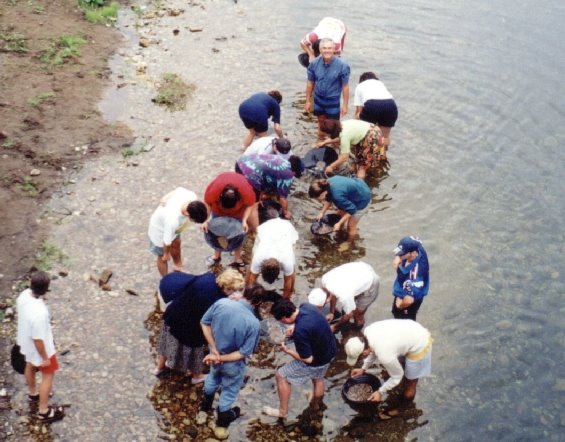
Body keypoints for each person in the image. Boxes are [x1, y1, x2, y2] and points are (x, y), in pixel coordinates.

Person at [155, 269, 245, 383]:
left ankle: (159, 367)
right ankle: (196, 376)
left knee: (167, 341)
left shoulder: (208, 277)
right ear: (227, 288)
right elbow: (214, 322)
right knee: (194, 352)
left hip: (173, 314)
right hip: (190, 326)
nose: (234, 293)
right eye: (234, 290)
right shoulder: (219, 301)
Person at [200, 284, 264, 427]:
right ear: (258, 303)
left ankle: (205, 407)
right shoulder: (254, 323)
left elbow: (204, 323)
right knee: (229, 390)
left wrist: (213, 348)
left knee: (212, 378)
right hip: (233, 364)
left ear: (243, 293)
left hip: (214, 356)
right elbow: (244, 353)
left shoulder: (221, 303)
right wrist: (220, 357)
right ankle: (222, 420)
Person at [263, 298, 337, 418]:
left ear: (284, 318)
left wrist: (288, 351)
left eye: (282, 321)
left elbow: (308, 359)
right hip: (330, 349)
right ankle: (315, 405)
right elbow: (313, 322)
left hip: (316, 359)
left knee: (281, 375)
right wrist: (295, 326)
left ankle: (282, 412)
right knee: (318, 378)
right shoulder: (306, 306)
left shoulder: (300, 331)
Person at [345, 319, 433, 414]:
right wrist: (363, 368)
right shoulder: (368, 332)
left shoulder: (384, 354)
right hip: (410, 330)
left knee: (410, 384)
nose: (361, 358)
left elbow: (397, 376)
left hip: (420, 343)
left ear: (364, 352)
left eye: (360, 357)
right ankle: (397, 367)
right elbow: (372, 350)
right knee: (397, 364)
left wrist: (380, 392)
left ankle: (402, 408)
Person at [16, 271, 65, 423]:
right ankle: (44, 411)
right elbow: (38, 339)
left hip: (25, 343)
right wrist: (45, 358)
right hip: (41, 349)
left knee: (29, 365)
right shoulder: (40, 313)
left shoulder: (24, 296)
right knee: (48, 375)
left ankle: (33, 393)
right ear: (46, 289)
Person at [148, 187, 208, 276]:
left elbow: (178, 189)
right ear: (188, 214)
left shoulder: (191, 196)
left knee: (176, 243)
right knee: (162, 257)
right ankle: (166, 280)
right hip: (159, 232)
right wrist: (166, 254)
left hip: (175, 229)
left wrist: (166, 197)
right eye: (194, 220)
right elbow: (166, 242)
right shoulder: (172, 220)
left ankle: (178, 266)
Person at [203, 172, 257, 267]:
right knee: (217, 233)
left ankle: (237, 257)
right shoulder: (214, 190)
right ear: (219, 197)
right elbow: (207, 203)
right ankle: (216, 256)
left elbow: (250, 204)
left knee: (238, 235)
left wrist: (244, 220)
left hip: (238, 213)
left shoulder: (245, 191)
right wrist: (205, 220)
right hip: (218, 211)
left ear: (238, 198)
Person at [236, 153, 304, 222]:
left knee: (242, 191)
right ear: (295, 172)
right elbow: (282, 199)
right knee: (254, 204)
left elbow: (264, 172)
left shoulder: (282, 159)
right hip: (249, 173)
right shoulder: (288, 174)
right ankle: (246, 221)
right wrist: (286, 212)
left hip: (240, 163)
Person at [305, 38, 350, 136]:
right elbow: (310, 82)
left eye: (330, 48)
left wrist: (345, 105)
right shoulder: (313, 64)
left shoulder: (343, 65)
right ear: (320, 50)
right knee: (321, 125)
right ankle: (321, 144)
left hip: (333, 101)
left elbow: (345, 86)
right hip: (318, 100)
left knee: (334, 129)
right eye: (324, 48)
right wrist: (308, 101)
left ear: (334, 49)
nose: (327, 51)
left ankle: (333, 147)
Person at [246, 217, 298, 299]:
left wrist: (285, 299)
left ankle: (291, 293)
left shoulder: (286, 261)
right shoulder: (258, 257)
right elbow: (252, 278)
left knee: (291, 271)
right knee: (252, 265)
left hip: (287, 230)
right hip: (267, 228)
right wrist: (250, 297)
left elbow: (288, 280)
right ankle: (246, 291)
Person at [315, 118, 385, 179]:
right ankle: (379, 167)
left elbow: (344, 157)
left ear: (331, 133)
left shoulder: (344, 136)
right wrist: (324, 143)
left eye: (326, 134)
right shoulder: (340, 125)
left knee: (362, 166)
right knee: (371, 158)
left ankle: (359, 184)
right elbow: (339, 137)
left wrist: (331, 167)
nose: (325, 136)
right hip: (375, 130)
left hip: (371, 139)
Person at [308, 176, 371, 241]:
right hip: (356, 188)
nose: (318, 200)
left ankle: (350, 243)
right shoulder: (325, 184)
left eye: (317, 198)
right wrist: (322, 212)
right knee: (339, 216)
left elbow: (353, 210)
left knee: (351, 226)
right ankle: (340, 230)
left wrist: (339, 223)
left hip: (363, 198)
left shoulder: (337, 196)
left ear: (323, 194)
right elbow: (329, 199)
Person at [320, 261, 380, 329]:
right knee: (349, 306)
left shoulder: (344, 295)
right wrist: (331, 312)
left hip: (370, 281)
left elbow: (350, 314)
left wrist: (335, 326)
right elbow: (332, 295)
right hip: (359, 272)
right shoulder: (325, 280)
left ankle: (357, 332)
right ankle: (349, 307)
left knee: (358, 314)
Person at [354, 71, 398, 153]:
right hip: (391, 105)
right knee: (385, 136)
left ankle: (366, 153)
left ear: (361, 81)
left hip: (372, 105)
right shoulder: (380, 83)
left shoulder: (359, 86)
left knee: (365, 130)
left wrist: (355, 124)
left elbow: (359, 110)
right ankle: (383, 154)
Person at [392, 236, 430, 320]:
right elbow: (416, 239)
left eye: (401, 254)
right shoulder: (417, 246)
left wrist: (400, 305)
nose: (399, 256)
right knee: (395, 312)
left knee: (405, 316)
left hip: (413, 294)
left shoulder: (415, 277)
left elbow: (409, 300)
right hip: (405, 284)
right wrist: (398, 258)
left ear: (412, 253)